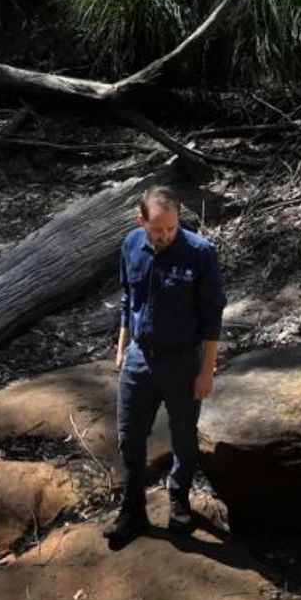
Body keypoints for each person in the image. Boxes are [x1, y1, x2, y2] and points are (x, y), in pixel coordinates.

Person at [107, 183, 225, 547]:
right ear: (140, 221)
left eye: (171, 229)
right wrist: (123, 343)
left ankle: (178, 499)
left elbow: (212, 315)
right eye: (157, 230)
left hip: (183, 361)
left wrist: (207, 370)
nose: (165, 236)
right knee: (129, 437)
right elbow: (130, 295)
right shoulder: (131, 245)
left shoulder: (199, 253)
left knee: (184, 437)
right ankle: (132, 510)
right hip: (140, 358)